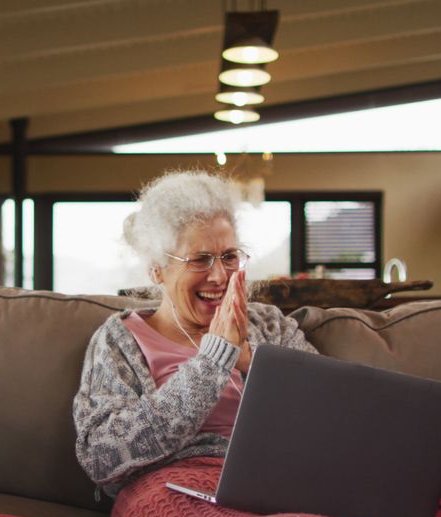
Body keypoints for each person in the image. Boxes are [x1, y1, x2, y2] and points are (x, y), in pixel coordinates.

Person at [73, 170, 318, 498]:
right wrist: (213, 362)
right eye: (200, 260)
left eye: (229, 256)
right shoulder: (120, 341)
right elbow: (101, 457)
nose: (219, 275)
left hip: (278, 486)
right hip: (172, 492)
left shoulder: (270, 325)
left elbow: (329, 414)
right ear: (157, 269)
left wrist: (253, 363)